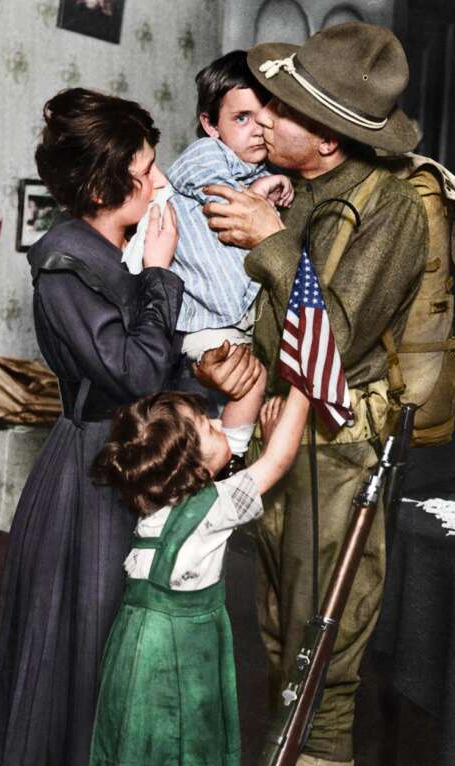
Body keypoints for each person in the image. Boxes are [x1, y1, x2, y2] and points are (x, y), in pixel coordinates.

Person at [0, 87, 263, 766]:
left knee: (108, 671)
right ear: (108, 183)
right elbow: (133, 371)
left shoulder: (108, 247)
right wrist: (162, 273)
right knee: (58, 669)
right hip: (90, 483)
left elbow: (158, 360)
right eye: (144, 171)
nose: (158, 181)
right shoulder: (65, 261)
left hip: (133, 476)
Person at [195, 24, 429, 766]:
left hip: (340, 462)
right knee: (280, 651)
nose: (265, 121)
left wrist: (270, 240)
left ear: (326, 137)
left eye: (281, 110)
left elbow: (325, 345)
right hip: (293, 460)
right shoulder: (320, 188)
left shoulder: (396, 211)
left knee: (321, 668)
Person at [83, 385, 310, 766]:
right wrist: (303, 392)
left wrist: (240, 412)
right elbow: (277, 459)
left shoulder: (159, 499)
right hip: (162, 677)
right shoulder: (210, 507)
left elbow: (230, 439)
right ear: (191, 467)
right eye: (205, 424)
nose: (219, 422)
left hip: (130, 659)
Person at [166, 50, 294, 473]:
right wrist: (259, 192)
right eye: (241, 118)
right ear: (210, 124)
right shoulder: (207, 157)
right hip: (203, 318)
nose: (257, 129)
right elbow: (214, 190)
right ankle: (230, 458)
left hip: (230, 315)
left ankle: (225, 449)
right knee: (250, 381)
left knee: (250, 380)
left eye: (265, 115)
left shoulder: (257, 166)